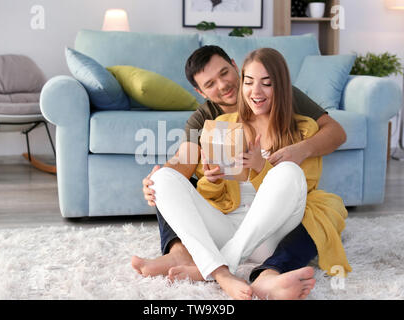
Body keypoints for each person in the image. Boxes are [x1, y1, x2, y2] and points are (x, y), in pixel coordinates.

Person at [132, 46, 349, 299]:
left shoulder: (294, 113)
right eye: (211, 83)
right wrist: (158, 181)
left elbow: (330, 140)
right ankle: (200, 261)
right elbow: (186, 161)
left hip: (272, 227)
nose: (224, 85)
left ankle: (214, 264)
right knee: (164, 179)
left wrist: (290, 154)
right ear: (201, 92)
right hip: (228, 221)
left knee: (291, 173)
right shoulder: (211, 123)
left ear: (235, 66)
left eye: (225, 73)